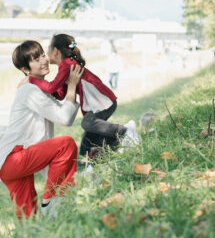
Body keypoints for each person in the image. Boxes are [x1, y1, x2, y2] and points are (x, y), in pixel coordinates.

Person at [0, 40, 83, 219]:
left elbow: (66, 114)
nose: (43, 60)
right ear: (25, 69)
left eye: (42, 55)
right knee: (65, 144)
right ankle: (51, 203)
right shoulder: (29, 91)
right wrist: (72, 85)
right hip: (13, 158)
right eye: (35, 59)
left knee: (29, 222)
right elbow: (65, 118)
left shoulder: (40, 90)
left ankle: (43, 227)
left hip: (13, 163)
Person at [28, 34, 138, 167]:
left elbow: (51, 87)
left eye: (47, 50)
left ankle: (124, 130)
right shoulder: (66, 66)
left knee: (88, 123)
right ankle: (92, 161)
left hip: (102, 101)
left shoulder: (67, 65)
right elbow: (60, 94)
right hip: (101, 102)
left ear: (55, 51)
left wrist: (33, 79)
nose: (46, 55)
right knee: (88, 139)